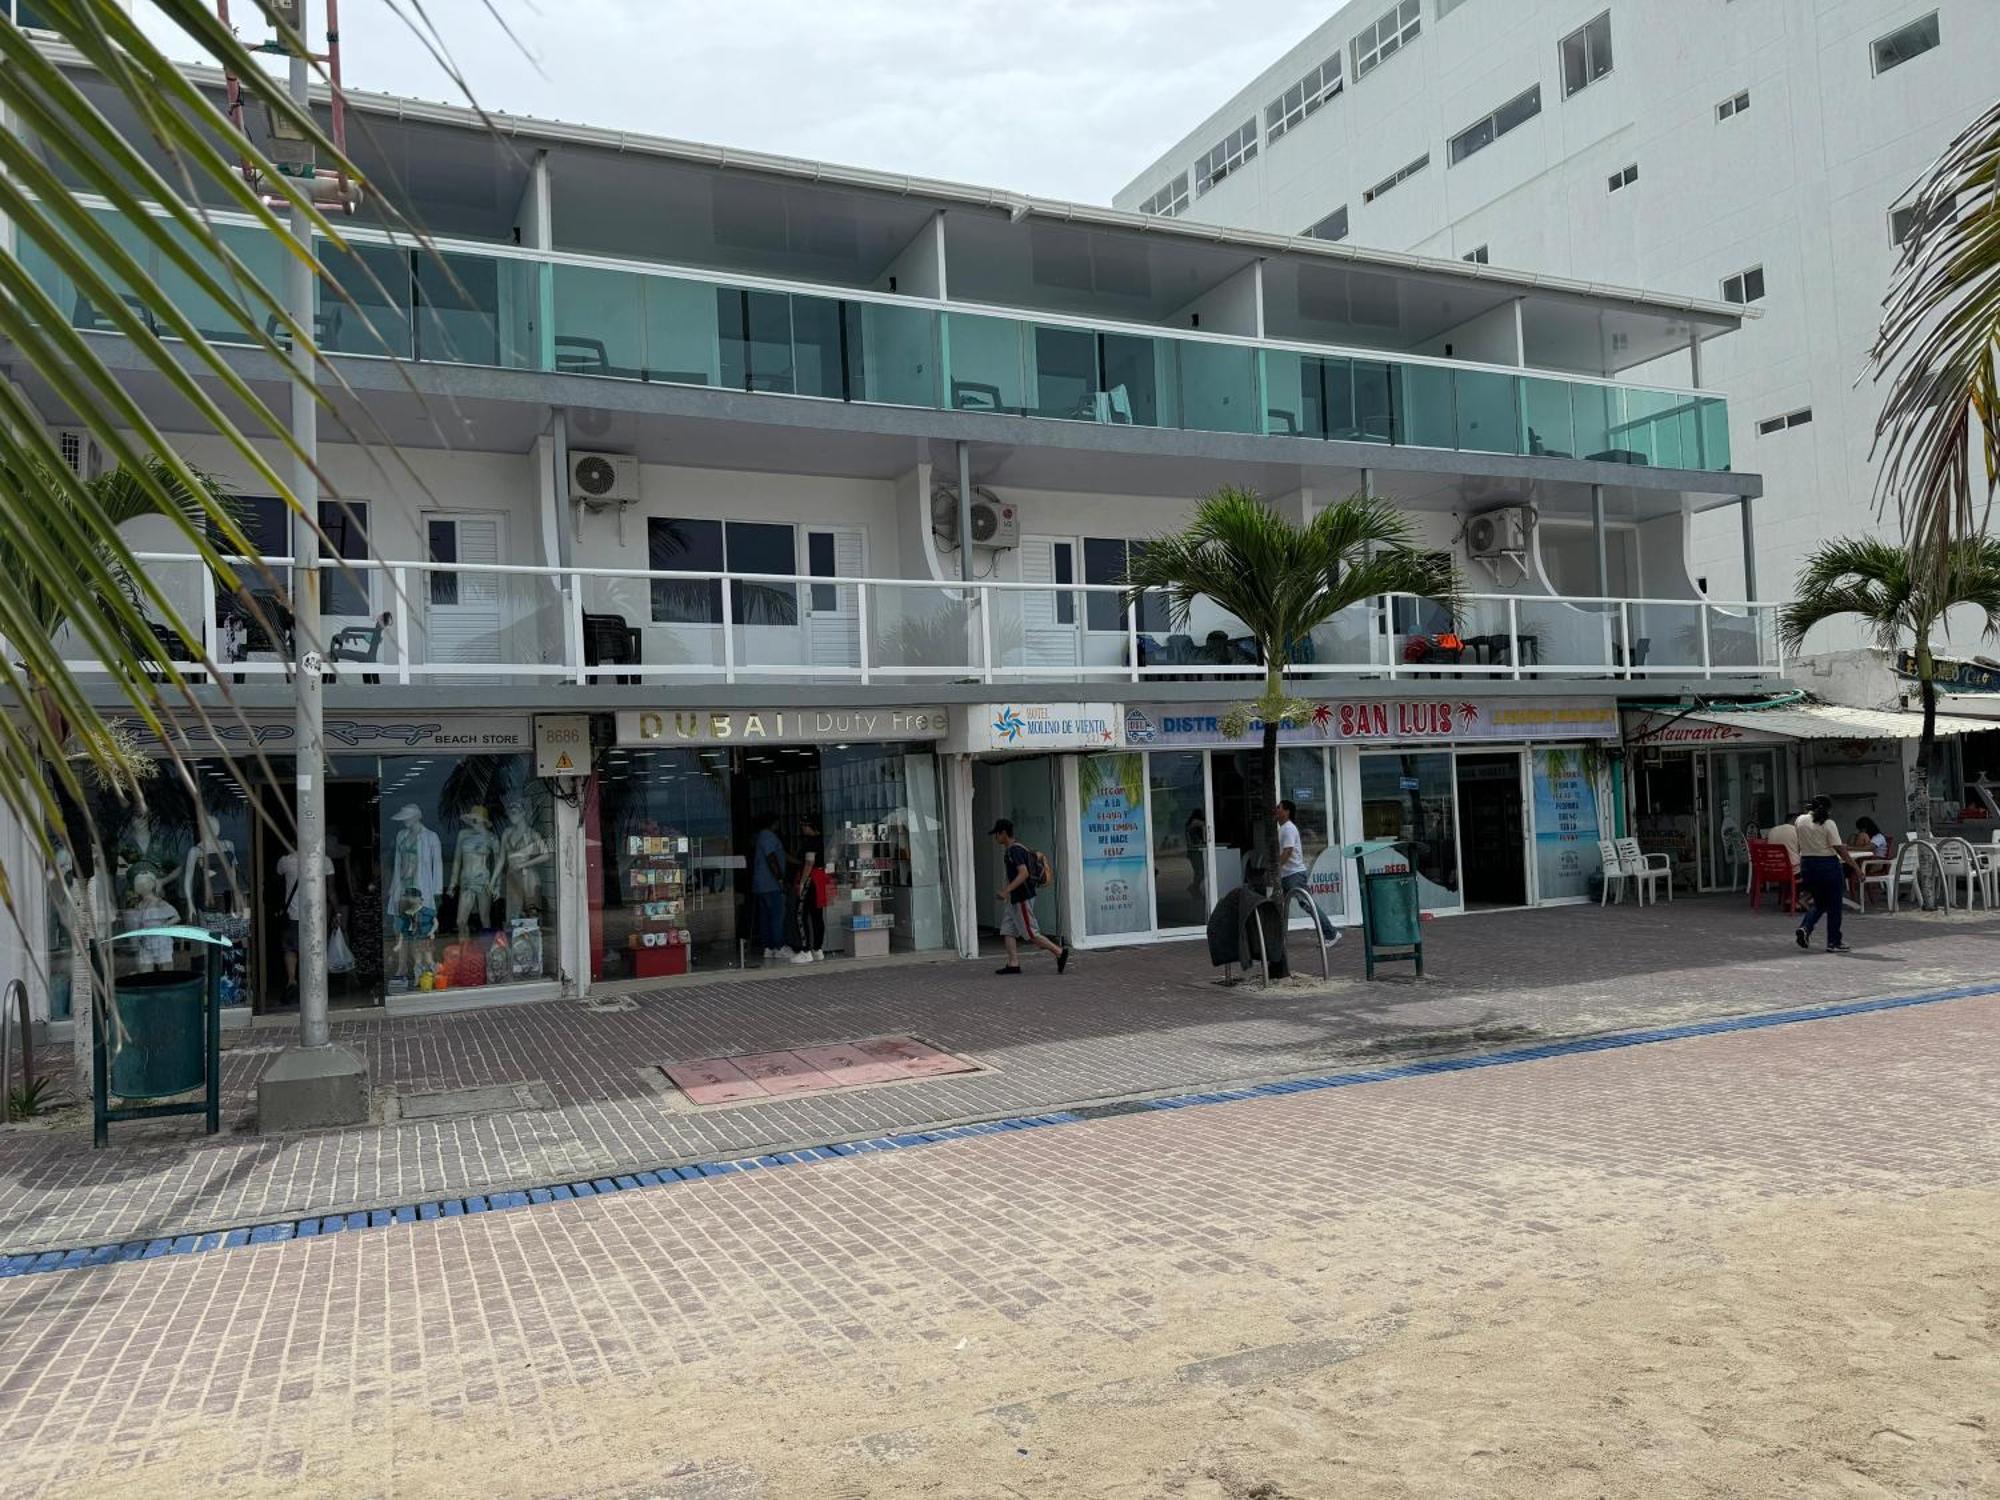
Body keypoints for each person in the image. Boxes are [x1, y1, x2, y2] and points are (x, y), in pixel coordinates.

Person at [990, 819, 1068, 976]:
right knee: (1007, 929)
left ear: (1003, 833)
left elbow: (1023, 873)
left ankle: (1059, 952)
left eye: (996, 834)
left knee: (1031, 933)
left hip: (1022, 897)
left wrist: (1006, 891)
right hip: (1016, 898)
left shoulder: (1014, 851)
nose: (995, 837)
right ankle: (1013, 964)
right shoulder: (1017, 848)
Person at [1794, 796, 1858, 953]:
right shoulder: (1829, 823)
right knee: (1835, 905)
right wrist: (1856, 868)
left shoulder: (1800, 820)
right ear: (1829, 809)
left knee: (1820, 903)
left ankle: (1805, 927)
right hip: (1827, 864)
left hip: (1808, 864)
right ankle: (1834, 942)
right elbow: (1839, 849)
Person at [1276, 800, 1339, 942]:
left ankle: (1331, 933)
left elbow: (1288, 851)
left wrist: (1276, 868)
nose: (1276, 810)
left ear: (1287, 812)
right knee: (1280, 905)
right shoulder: (1284, 828)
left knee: (1307, 904)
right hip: (1288, 874)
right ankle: (1279, 937)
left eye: (1279, 808)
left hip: (1294, 875)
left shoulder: (1288, 829)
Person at [750, 812, 791, 961]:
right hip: (770, 884)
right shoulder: (768, 836)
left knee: (766, 917)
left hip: (761, 885)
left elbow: (782, 855)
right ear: (773, 823)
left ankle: (768, 947)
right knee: (777, 915)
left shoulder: (761, 836)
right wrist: (780, 878)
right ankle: (779, 947)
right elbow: (771, 858)